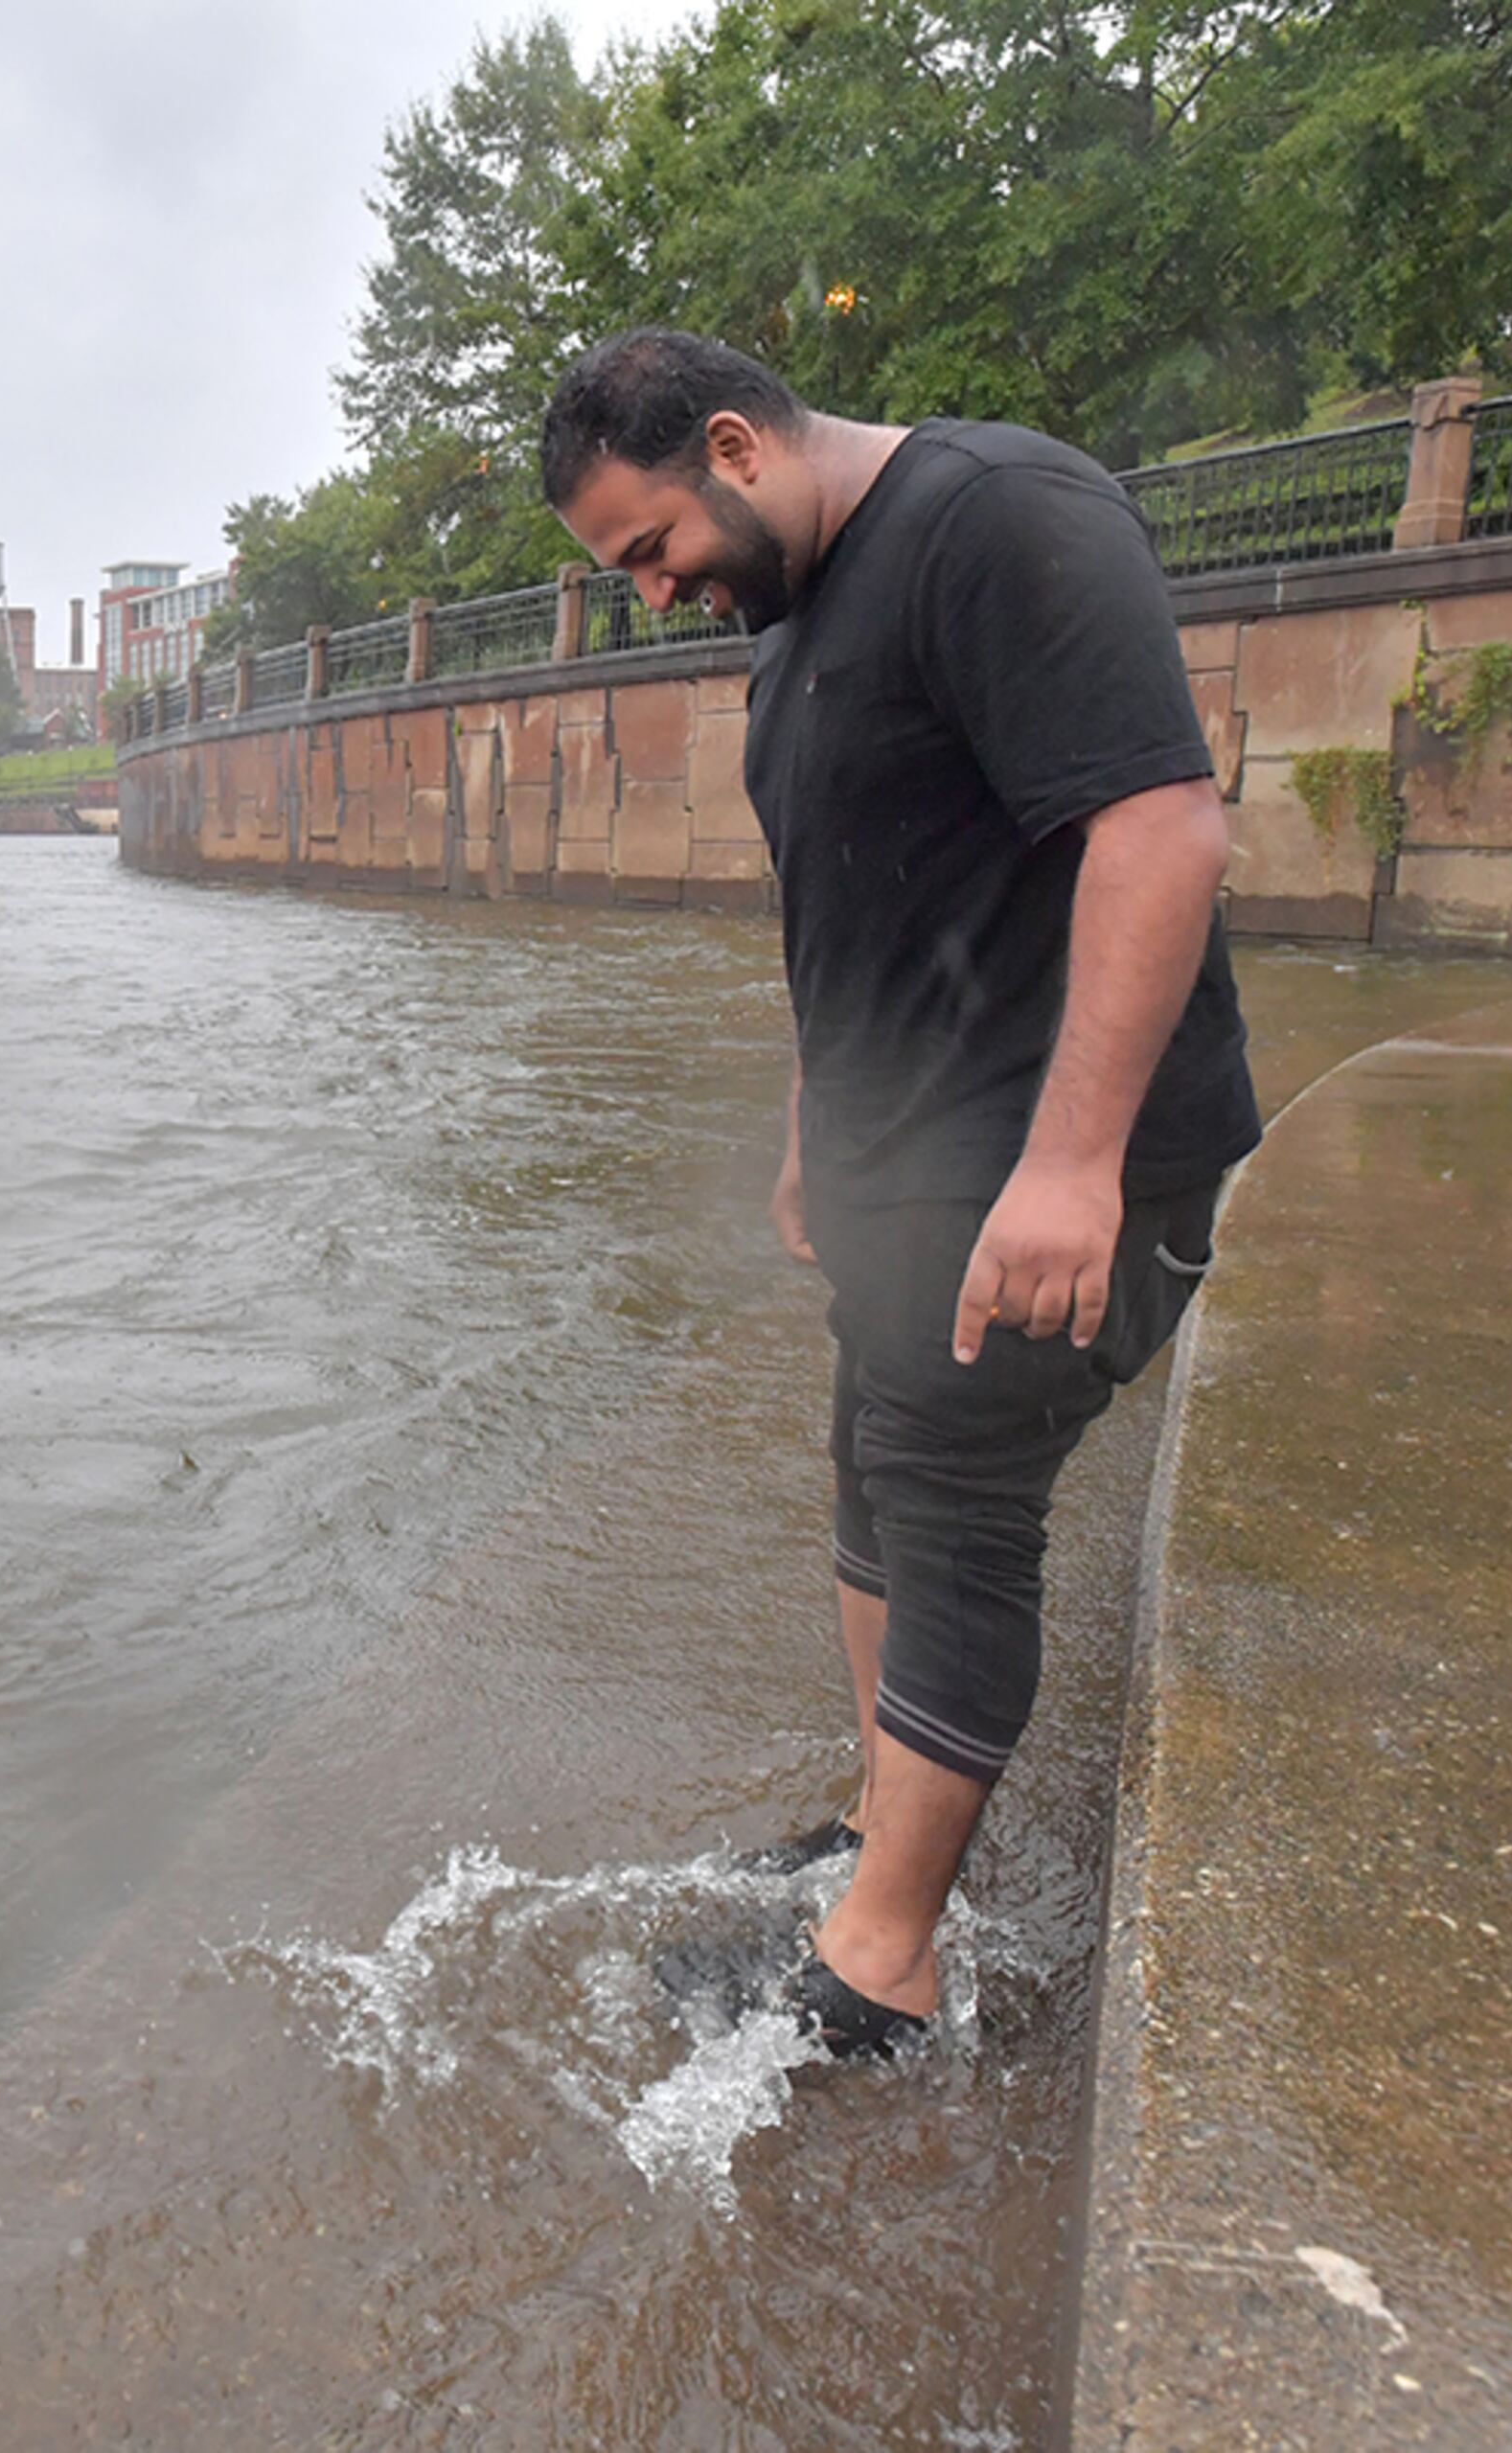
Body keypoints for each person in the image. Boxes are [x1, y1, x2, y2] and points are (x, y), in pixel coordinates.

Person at [540, 330, 1261, 2058]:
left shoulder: (1000, 518)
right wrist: (817, 1115)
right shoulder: (794, 621)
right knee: (876, 1472)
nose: (649, 594)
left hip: (1051, 1162)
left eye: (651, 549)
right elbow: (858, 903)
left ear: (736, 446)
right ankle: (886, 1832)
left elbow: (1160, 833)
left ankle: (886, 1961)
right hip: (907, 1162)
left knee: (951, 1502)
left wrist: (1074, 1164)